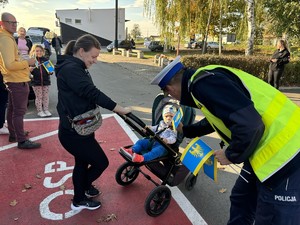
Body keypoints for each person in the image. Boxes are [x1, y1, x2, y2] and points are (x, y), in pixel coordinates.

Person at [151, 56, 300, 225]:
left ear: (170, 89)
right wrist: (187, 130)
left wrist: (231, 154)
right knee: (241, 200)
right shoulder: (203, 79)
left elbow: (251, 125)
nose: (175, 99)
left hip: (288, 153)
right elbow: (220, 116)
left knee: (273, 216)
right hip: (263, 149)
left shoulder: (203, 84)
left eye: (169, 93)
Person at [55, 34, 131, 212]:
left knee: (82, 162)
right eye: (93, 56)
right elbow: (91, 92)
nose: (95, 60)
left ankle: (83, 191)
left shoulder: (75, 66)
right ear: (81, 51)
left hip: (80, 127)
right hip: (73, 132)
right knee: (100, 162)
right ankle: (79, 197)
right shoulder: (71, 69)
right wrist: (118, 108)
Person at [0, 12, 41, 149]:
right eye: (10, 22)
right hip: (17, 80)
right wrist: (27, 62)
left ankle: (15, 134)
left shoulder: (7, 37)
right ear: (2, 23)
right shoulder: (5, 39)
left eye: (15, 22)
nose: (14, 25)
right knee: (18, 111)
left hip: (13, 80)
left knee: (12, 109)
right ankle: (21, 140)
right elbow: (10, 65)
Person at [29, 44, 52, 117]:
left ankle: (46, 109)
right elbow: (27, 72)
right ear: (33, 52)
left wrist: (50, 71)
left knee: (46, 96)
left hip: (45, 81)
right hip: (36, 82)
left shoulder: (46, 60)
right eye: (37, 51)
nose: (39, 52)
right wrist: (29, 70)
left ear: (43, 51)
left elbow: (51, 71)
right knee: (39, 97)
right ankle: (40, 111)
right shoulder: (32, 61)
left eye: (40, 51)